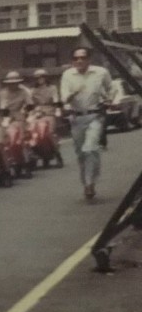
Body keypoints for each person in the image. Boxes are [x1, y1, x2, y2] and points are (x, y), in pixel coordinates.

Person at [60, 47, 113, 201]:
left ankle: (90, 183)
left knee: (90, 148)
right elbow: (64, 98)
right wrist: (72, 95)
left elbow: (111, 88)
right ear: (72, 61)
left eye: (83, 58)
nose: (79, 61)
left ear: (89, 59)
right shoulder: (67, 75)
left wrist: (109, 100)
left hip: (95, 115)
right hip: (76, 118)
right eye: (76, 58)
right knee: (81, 153)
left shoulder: (100, 72)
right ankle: (87, 183)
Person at [0, 70, 34, 167]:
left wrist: (26, 111)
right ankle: (9, 161)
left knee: (20, 139)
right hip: (6, 117)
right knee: (5, 140)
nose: (13, 85)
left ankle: (26, 162)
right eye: (10, 83)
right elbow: (2, 105)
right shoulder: (3, 93)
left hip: (19, 116)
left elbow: (30, 104)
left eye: (15, 83)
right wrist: (4, 113)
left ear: (18, 83)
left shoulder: (23, 92)